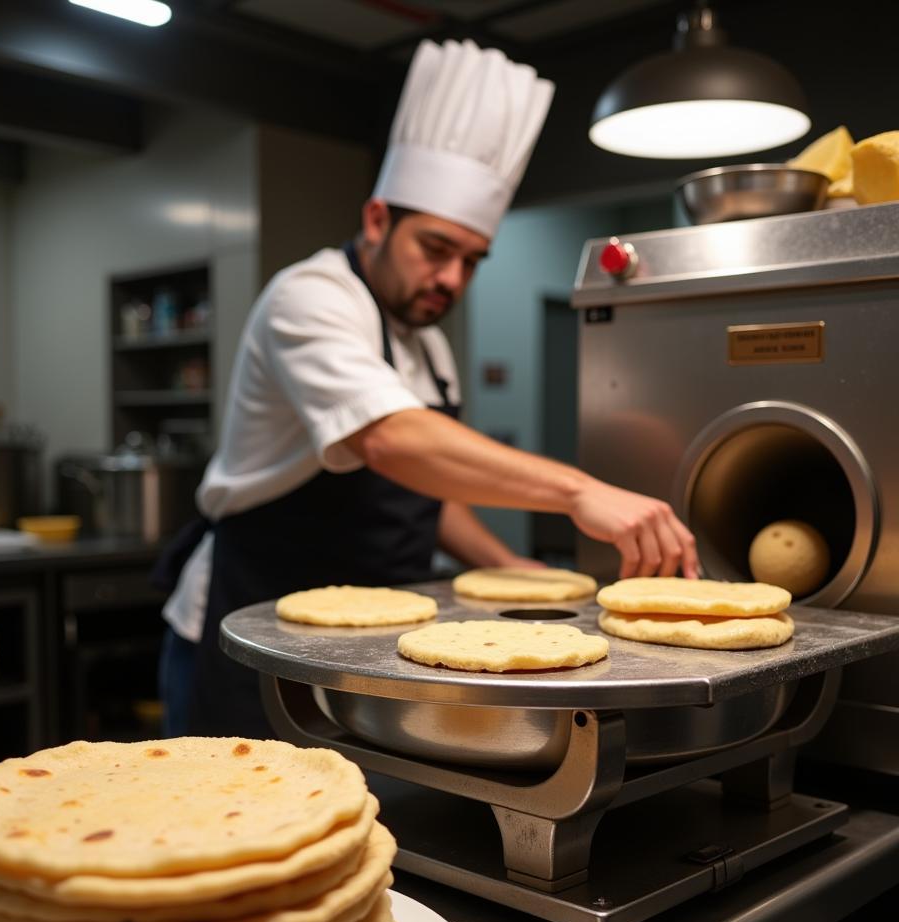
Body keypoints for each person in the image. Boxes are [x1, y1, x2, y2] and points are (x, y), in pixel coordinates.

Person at [158, 39, 698, 740]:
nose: (451, 280)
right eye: (436, 249)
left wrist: (508, 566)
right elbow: (390, 440)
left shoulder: (427, 344)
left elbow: (421, 491)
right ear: (378, 219)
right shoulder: (309, 296)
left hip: (374, 640)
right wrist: (578, 492)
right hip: (254, 622)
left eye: (472, 261)